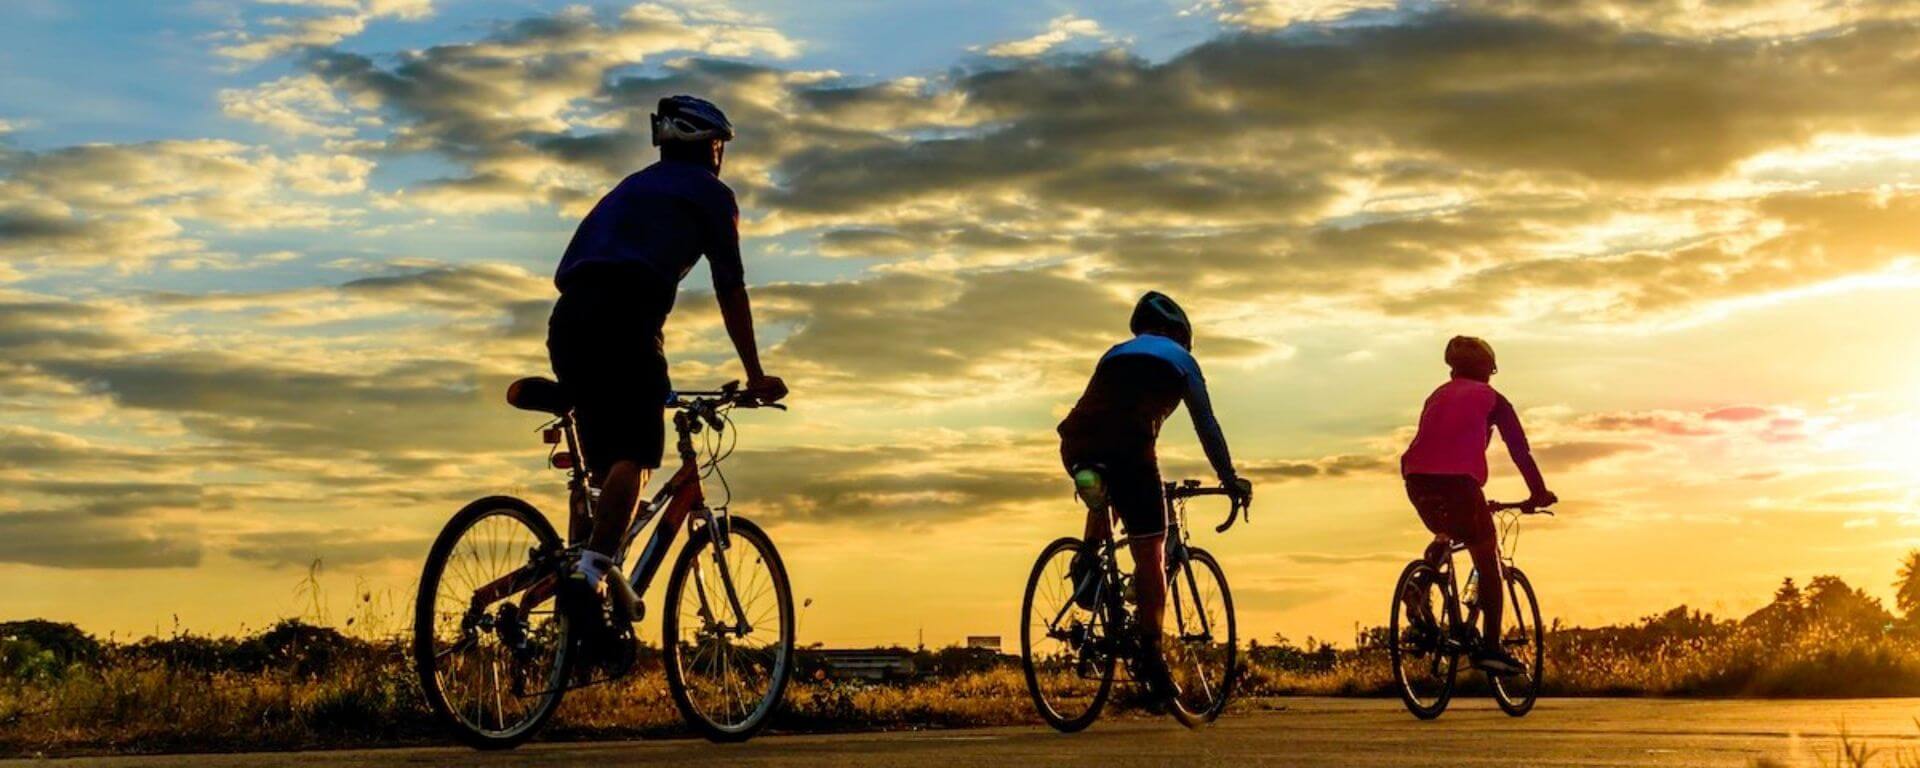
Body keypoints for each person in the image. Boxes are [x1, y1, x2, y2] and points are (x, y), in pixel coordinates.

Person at [546, 95, 786, 623]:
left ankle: (573, 598)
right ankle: (588, 576)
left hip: (567, 322)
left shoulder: (631, 186)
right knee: (638, 452)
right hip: (625, 322)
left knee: (603, 470)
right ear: (709, 146)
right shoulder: (710, 193)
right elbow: (731, 286)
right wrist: (754, 374)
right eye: (721, 144)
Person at [1056, 291, 1252, 700]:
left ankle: (1089, 558)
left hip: (1075, 441)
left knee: (1106, 492)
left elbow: (1102, 410)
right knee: (1152, 552)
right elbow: (1206, 424)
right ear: (1179, 334)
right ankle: (1152, 656)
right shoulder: (1182, 361)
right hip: (1130, 447)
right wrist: (1229, 477)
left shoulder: (1115, 352)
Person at [1399, 336, 1555, 676]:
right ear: (1488, 368)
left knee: (1446, 532)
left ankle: (1420, 586)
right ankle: (1491, 648)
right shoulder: (1493, 399)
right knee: (1487, 558)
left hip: (1416, 479)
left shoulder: (1436, 395)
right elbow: (1519, 451)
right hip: (1460, 483)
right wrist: (1538, 492)